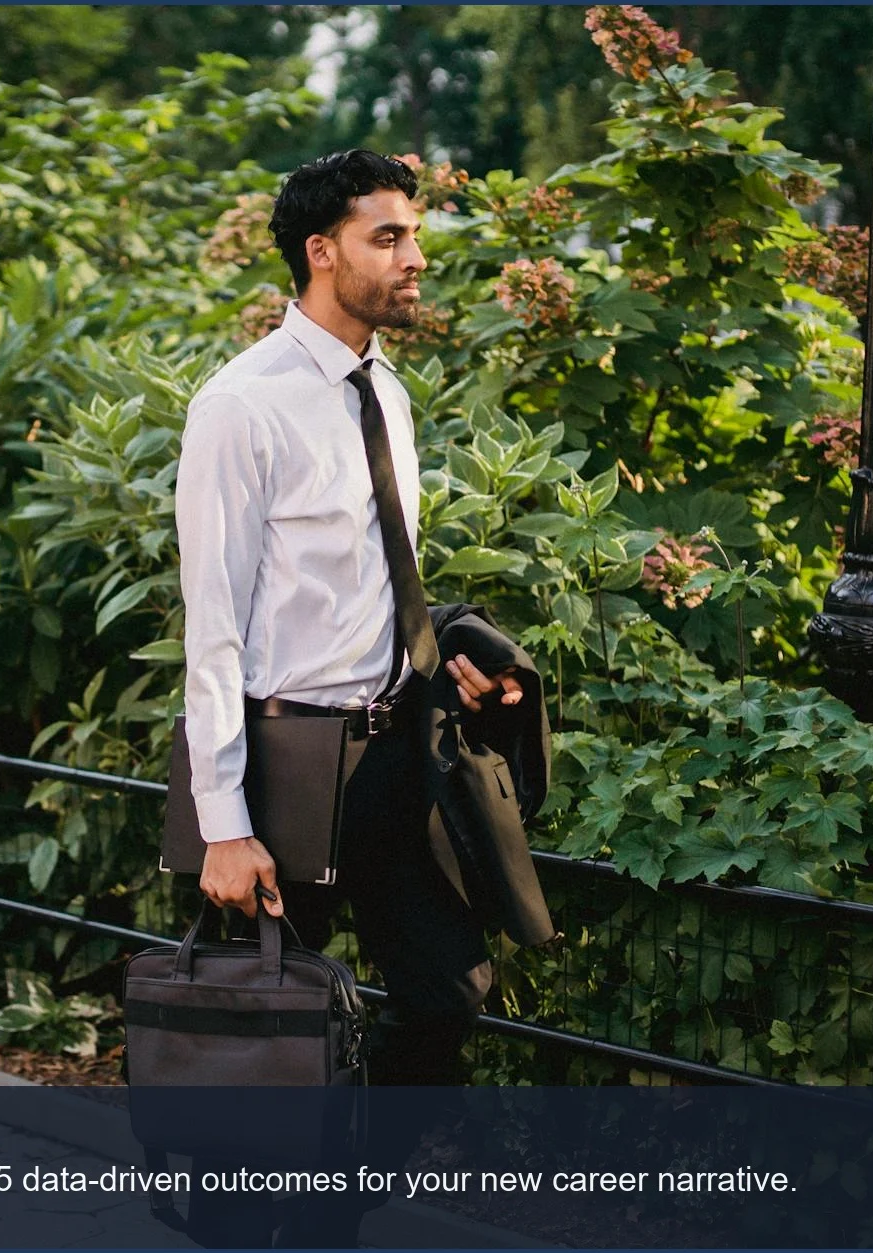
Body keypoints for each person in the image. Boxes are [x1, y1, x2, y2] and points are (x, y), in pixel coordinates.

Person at [175, 149, 525, 1097]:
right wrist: (223, 826)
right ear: (321, 252)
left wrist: (444, 653)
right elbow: (213, 630)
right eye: (390, 238)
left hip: (393, 752)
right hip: (286, 762)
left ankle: (352, 1170)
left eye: (414, 236)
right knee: (260, 1038)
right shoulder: (240, 406)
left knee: (447, 993)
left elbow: (372, 579)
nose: (416, 258)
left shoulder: (388, 394)